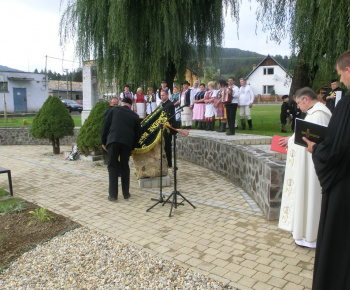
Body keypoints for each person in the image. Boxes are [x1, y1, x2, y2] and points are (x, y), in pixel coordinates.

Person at [303, 50, 350, 290]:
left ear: (348, 70)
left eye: (341, 74)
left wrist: (315, 150)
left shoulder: (348, 104)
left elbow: (337, 149)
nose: (340, 81)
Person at [278, 87, 331, 249]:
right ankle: (302, 232)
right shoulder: (313, 113)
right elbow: (304, 135)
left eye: (299, 103)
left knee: (311, 198)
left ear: (306, 99)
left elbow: (316, 140)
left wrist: (292, 142)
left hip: (313, 170)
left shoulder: (319, 115)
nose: (298, 107)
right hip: (306, 166)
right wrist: (291, 139)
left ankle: (311, 236)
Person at [101, 98, 141, 202]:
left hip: (113, 141)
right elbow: (138, 135)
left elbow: (105, 126)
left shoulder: (113, 110)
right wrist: (132, 147)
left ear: (121, 104)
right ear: (130, 106)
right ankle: (126, 193)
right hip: (126, 143)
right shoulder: (135, 116)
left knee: (112, 166)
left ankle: (113, 195)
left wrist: (103, 141)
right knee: (124, 167)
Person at [160, 89, 175, 168]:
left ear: (167, 95)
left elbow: (168, 117)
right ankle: (165, 161)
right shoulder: (163, 104)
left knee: (167, 145)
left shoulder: (169, 104)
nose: (161, 97)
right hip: (163, 127)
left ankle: (169, 162)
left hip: (167, 128)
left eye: (163, 95)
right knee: (164, 145)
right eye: (161, 95)